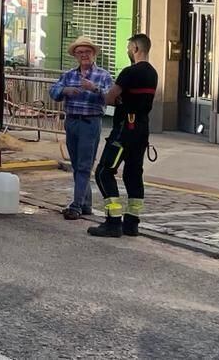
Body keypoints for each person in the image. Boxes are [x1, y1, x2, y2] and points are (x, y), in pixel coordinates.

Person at [88, 33, 158, 238]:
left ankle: (113, 221)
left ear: (136, 48)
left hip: (125, 128)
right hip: (142, 129)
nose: (127, 51)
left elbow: (109, 98)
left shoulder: (129, 72)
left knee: (104, 171)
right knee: (133, 175)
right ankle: (132, 223)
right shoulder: (153, 73)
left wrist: (99, 91)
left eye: (129, 47)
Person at [49, 37, 113, 221]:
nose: (84, 55)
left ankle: (76, 205)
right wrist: (64, 91)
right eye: (80, 52)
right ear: (75, 55)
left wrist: (94, 89)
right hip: (72, 121)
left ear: (93, 54)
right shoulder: (69, 75)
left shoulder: (103, 75)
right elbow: (53, 92)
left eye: (87, 52)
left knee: (84, 165)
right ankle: (86, 204)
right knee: (77, 164)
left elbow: (111, 98)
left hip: (90, 122)